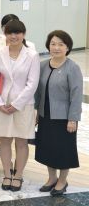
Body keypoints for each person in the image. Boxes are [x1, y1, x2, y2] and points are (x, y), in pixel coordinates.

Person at [0, 20, 39, 192]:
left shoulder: (32, 55)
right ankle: (6, 174)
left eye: (17, 33)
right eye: (10, 33)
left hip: (24, 104)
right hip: (2, 104)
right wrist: (0, 103)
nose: (14, 36)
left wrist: (16, 104)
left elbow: (32, 84)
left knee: (21, 141)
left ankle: (18, 175)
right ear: (5, 34)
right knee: (4, 140)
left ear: (23, 34)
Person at [35, 30, 82, 196]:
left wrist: (73, 119)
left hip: (64, 117)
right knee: (47, 148)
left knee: (63, 150)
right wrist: (35, 111)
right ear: (48, 46)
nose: (56, 47)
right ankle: (52, 178)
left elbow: (76, 96)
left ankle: (62, 180)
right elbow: (38, 92)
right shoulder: (42, 65)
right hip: (45, 114)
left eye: (60, 44)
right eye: (53, 44)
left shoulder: (72, 68)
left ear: (67, 47)